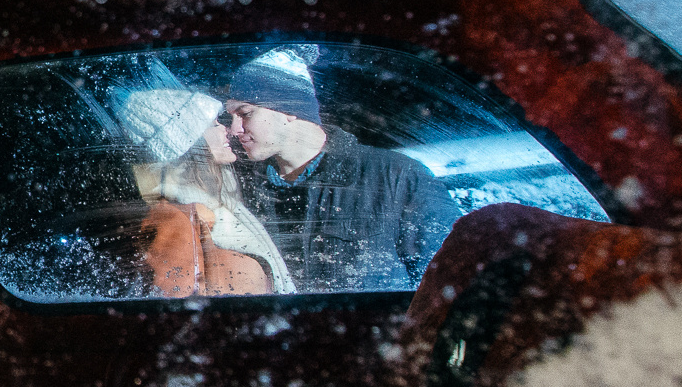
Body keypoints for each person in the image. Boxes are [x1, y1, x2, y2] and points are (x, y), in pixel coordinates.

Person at [220, 47, 458, 292]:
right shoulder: (244, 189)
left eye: (245, 113)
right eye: (231, 117)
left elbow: (448, 282)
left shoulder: (395, 177)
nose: (234, 129)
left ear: (289, 108)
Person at [118, 87, 294, 296]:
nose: (227, 130)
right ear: (188, 144)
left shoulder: (217, 204)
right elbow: (180, 294)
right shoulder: (183, 218)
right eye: (213, 124)